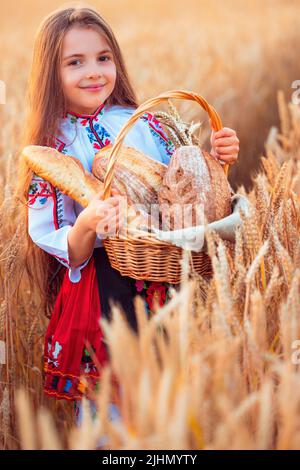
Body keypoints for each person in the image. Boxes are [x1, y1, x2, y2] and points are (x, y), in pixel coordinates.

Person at [16, 5, 239, 425]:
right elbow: (62, 245)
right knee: (112, 414)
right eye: (75, 62)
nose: (94, 72)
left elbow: (179, 190)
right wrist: (87, 222)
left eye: (104, 58)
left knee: (169, 402)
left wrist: (215, 159)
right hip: (104, 289)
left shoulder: (142, 124)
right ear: (51, 74)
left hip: (160, 275)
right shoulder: (54, 147)